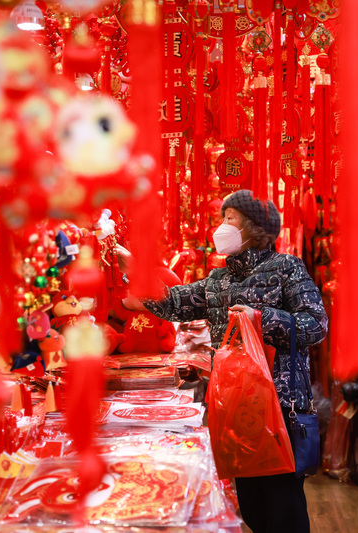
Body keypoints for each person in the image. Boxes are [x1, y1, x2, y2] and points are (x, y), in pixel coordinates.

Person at [118, 189, 328, 533]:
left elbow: (316, 324)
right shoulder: (219, 279)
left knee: (284, 508)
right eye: (223, 218)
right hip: (235, 405)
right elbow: (172, 303)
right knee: (252, 506)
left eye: (230, 219)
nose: (222, 226)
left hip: (278, 404)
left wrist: (260, 318)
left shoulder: (287, 267)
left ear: (254, 228)